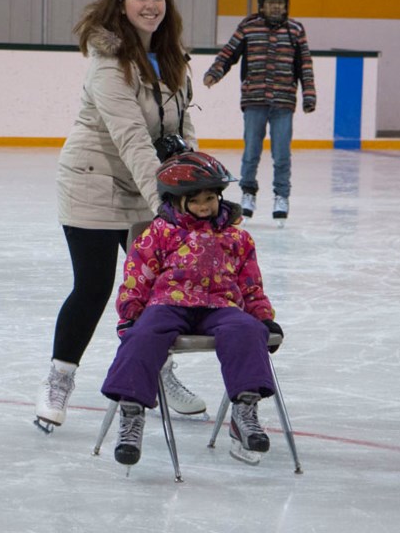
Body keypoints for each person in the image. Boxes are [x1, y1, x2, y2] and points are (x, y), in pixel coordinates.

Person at [35, 0, 206, 434]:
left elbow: (180, 127)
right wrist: (166, 206)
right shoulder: (108, 62)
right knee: (93, 288)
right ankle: (58, 381)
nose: (151, 6)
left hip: (148, 183)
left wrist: (191, 187)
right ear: (121, 4)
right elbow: (131, 137)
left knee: (159, 291)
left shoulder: (173, 57)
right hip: (94, 181)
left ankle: (160, 371)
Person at [100, 151, 285, 467]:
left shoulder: (236, 237)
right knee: (142, 336)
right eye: (196, 200)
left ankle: (245, 412)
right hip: (169, 303)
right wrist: (130, 314)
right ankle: (131, 416)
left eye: (210, 198)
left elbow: (251, 283)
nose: (204, 206)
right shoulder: (160, 232)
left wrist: (263, 317)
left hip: (220, 305)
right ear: (176, 200)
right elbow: (137, 276)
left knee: (247, 330)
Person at [203, 0, 317, 226]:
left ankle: (281, 196)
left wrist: (309, 95)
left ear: (286, 5)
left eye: (280, 3)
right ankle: (248, 192)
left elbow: (305, 66)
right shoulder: (249, 27)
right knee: (251, 151)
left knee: (282, 154)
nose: (276, 8)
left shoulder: (295, 30)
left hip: (284, 102)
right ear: (261, 5)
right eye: (271, 3)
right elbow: (228, 53)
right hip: (254, 100)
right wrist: (215, 72)